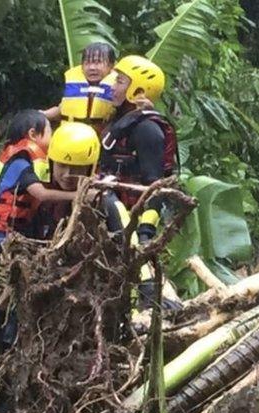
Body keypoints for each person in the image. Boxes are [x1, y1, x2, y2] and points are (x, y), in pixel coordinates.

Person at [97, 54, 181, 309]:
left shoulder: (148, 129)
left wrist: (145, 232)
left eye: (120, 81)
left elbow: (155, 186)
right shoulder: (120, 121)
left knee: (113, 206)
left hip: (129, 214)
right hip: (111, 208)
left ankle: (149, 299)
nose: (113, 85)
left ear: (138, 90)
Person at [0, 110, 83, 261]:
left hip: (15, 232)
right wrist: (78, 195)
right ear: (33, 134)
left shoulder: (25, 158)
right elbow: (41, 194)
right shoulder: (19, 162)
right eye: (50, 130)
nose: (53, 135)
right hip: (4, 237)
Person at [42, 42, 117, 132]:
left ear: (111, 66)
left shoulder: (118, 88)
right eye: (87, 63)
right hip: (69, 136)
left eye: (98, 63)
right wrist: (40, 114)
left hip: (100, 139)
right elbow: (61, 109)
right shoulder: (73, 83)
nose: (92, 67)